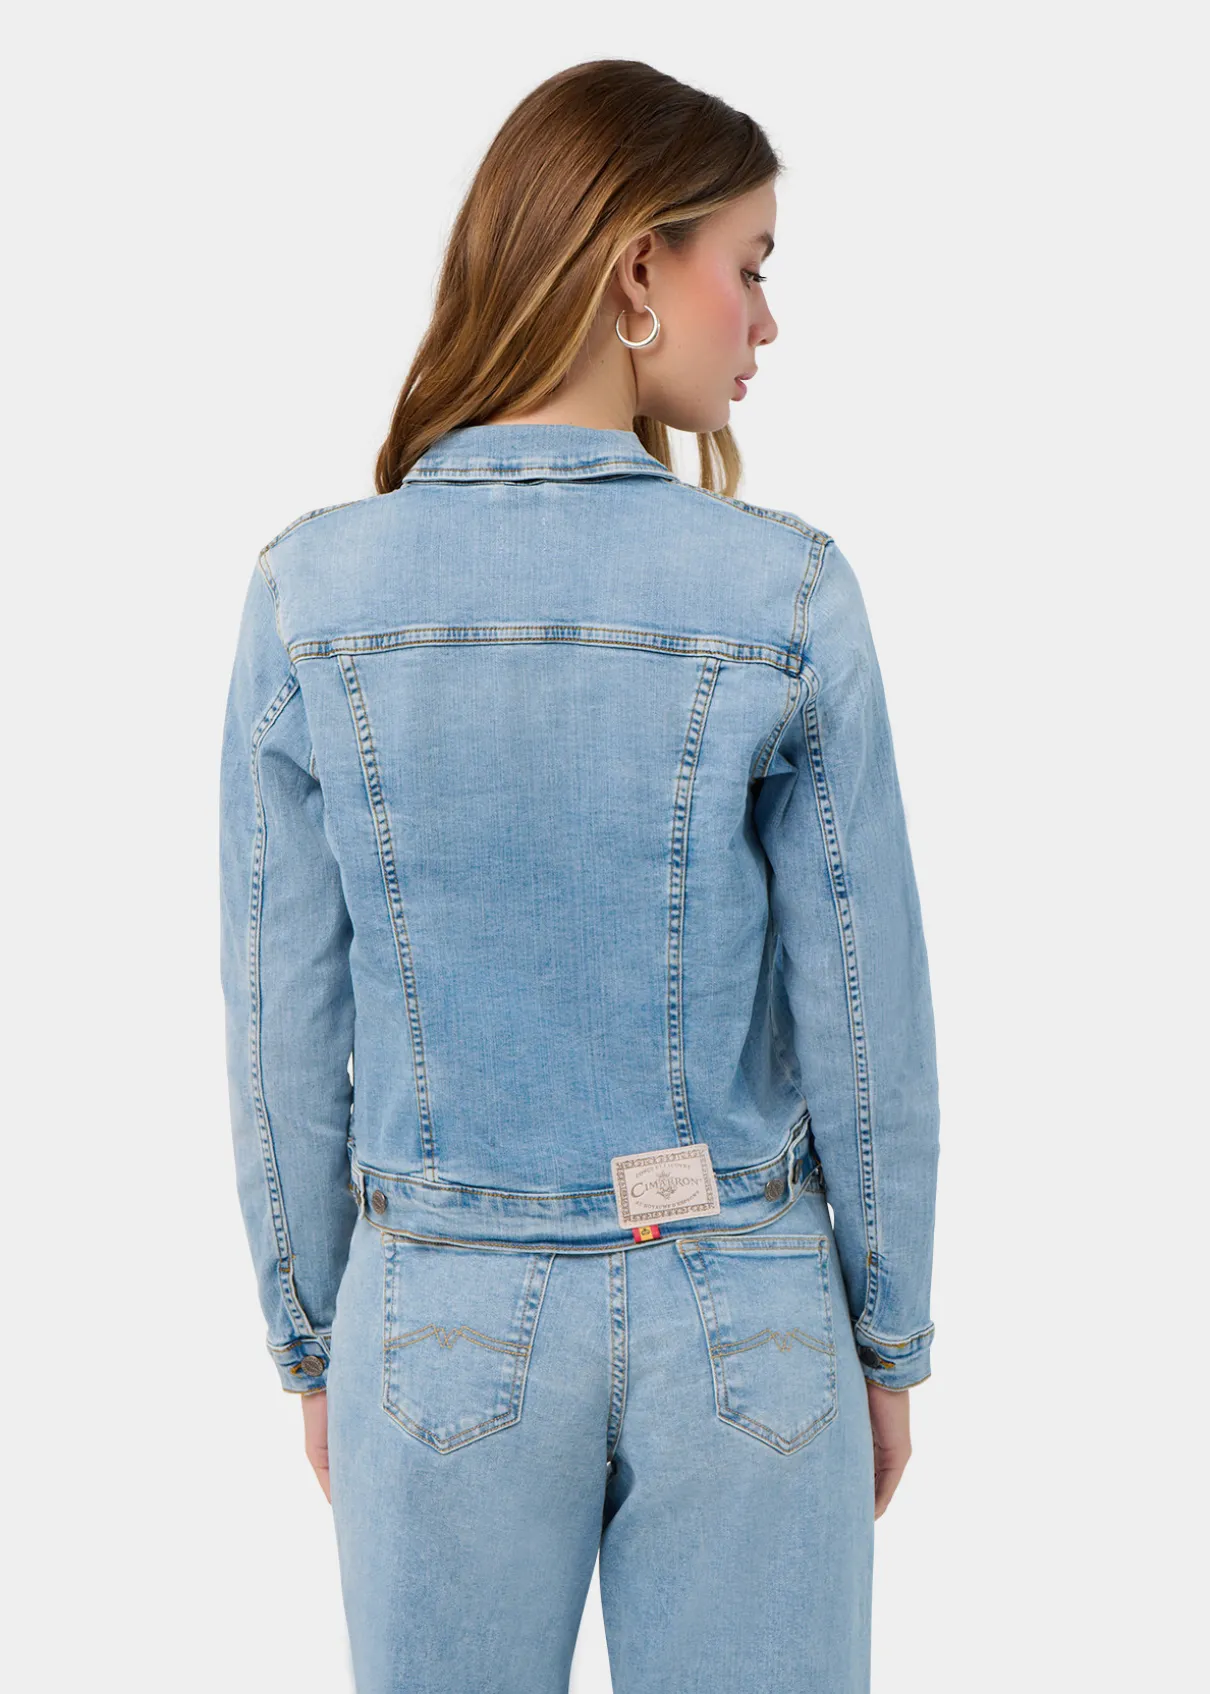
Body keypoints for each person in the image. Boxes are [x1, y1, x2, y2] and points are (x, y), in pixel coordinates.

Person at [218, 58, 941, 1694]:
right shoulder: (784, 593)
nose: (764, 321)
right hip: (745, 1317)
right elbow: (864, 1009)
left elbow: (280, 1024)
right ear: (634, 271)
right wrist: (885, 1329)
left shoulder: (312, 594)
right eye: (747, 264)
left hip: (434, 1322)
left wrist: (316, 1333)